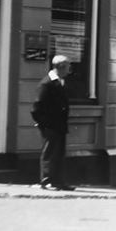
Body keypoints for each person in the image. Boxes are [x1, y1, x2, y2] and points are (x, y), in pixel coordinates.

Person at [31, 55, 74, 191]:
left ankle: (59, 181)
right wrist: (43, 124)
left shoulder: (60, 81)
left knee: (59, 153)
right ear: (60, 67)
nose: (69, 70)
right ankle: (46, 181)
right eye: (68, 67)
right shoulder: (47, 83)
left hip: (59, 125)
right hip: (51, 126)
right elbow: (36, 107)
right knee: (49, 153)